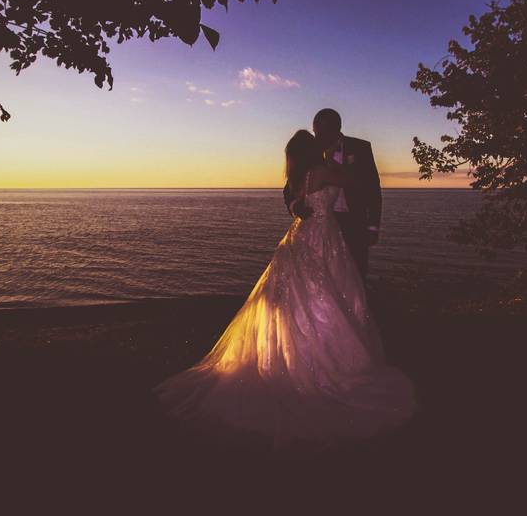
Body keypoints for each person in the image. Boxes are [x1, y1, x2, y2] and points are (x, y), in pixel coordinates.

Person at [152, 129, 418, 450]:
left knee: (298, 298)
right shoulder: (321, 171)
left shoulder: (297, 176)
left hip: (301, 237)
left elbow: (295, 199)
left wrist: (297, 204)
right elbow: (354, 182)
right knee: (324, 296)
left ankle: (295, 353)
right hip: (322, 238)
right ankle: (326, 361)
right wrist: (333, 160)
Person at [284, 108, 382, 278]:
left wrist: (373, 226)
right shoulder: (312, 152)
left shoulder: (361, 148)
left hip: (354, 223)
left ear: (336, 129)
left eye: (321, 132)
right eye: (315, 132)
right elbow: (289, 188)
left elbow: (372, 188)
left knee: (355, 276)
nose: (317, 137)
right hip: (319, 227)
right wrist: (295, 205)